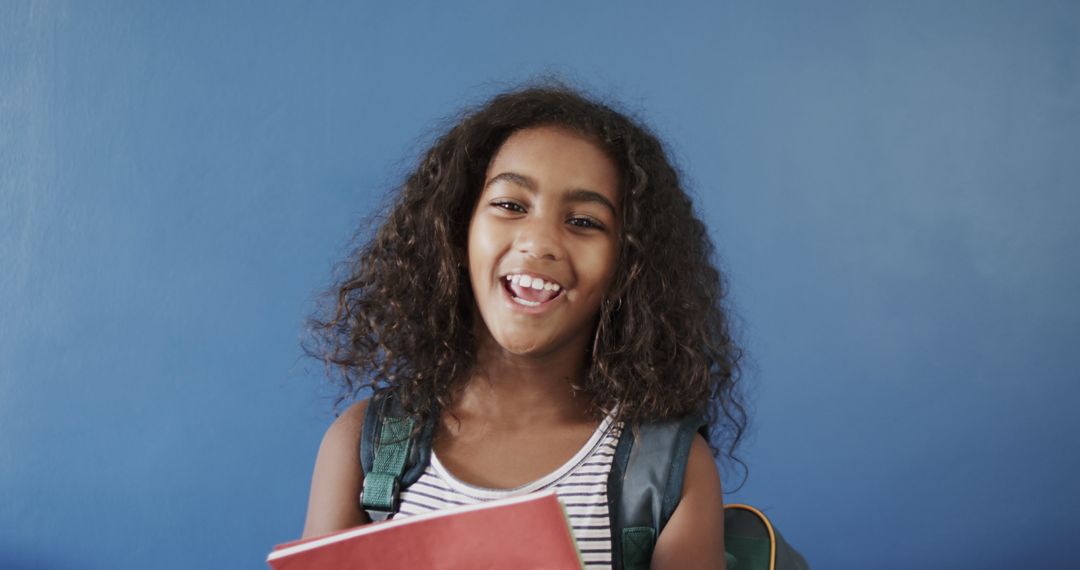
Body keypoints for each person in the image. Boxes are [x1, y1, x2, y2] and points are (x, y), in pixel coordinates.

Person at [300, 83, 747, 569]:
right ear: (455, 229)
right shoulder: (365, 445)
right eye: (511, 206)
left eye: (583, 221)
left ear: (630, 265)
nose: (539, 242)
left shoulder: (667, 470)